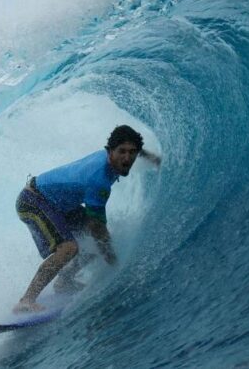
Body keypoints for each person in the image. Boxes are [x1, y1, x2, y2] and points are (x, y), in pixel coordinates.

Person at [13, 125, 161, 313]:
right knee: (70, 247)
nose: (127, 158)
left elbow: (97, 231)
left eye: (132, 153)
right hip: (33, 201)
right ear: (110, 151)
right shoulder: (98, 180)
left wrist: (153, 158)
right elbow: (97, 226)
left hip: (59, 206)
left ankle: (65, 281)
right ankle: (26, 300)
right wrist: (113, 262)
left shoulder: (113, 159)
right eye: (121, 152)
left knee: (96, 239)